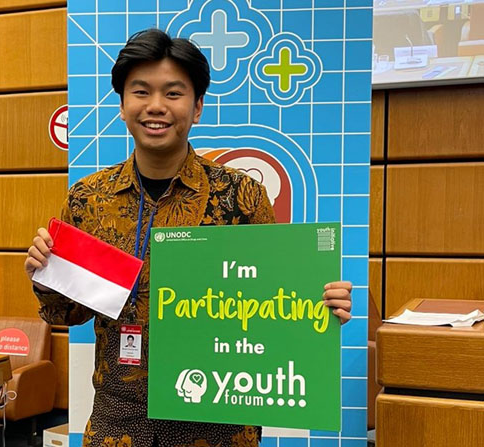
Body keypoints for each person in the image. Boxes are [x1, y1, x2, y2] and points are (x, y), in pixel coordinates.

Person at [24, 28, 353, 447]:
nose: (156, 106)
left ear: (197, 107)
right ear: (122, 105)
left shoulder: (241, 196)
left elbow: (277, 301)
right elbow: (66, 314)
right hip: (118, 423)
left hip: (219, 425)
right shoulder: (90, 199)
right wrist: (45, 274)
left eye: (173, 93)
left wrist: (321, 305)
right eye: (140, 91)